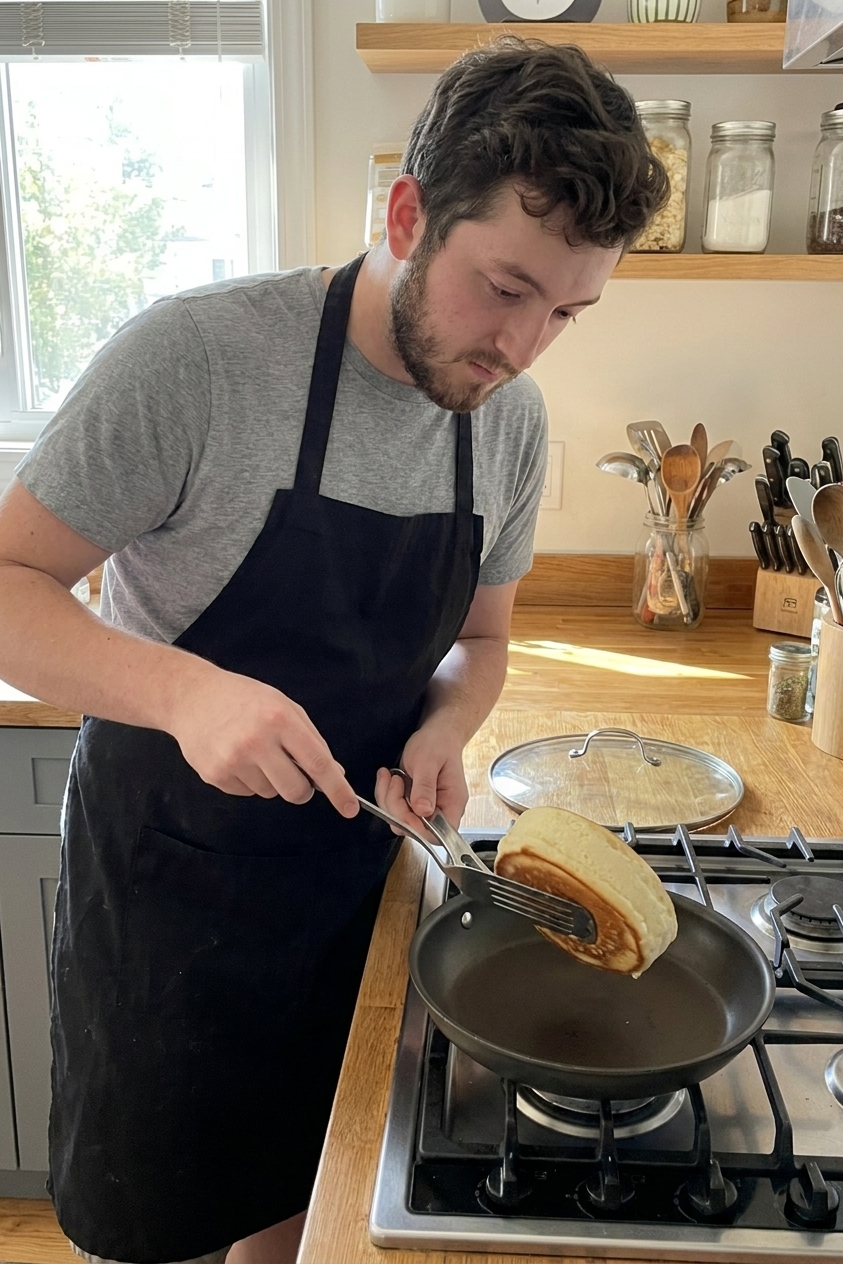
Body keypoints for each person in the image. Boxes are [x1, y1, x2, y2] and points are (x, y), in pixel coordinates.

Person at [0, 35, 667, 1264]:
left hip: (357, 899)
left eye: (568, 311)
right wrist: (187, 692)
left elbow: (480, 639)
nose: (522, 348)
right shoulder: (197, 362)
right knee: (152, 1230)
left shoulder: (505, 420)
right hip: (168, 901)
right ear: (409, 213)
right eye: (505, 289)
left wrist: (445, 728)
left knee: (309, 1217)